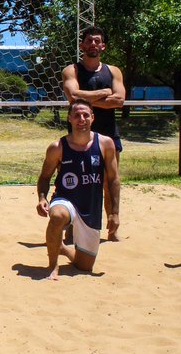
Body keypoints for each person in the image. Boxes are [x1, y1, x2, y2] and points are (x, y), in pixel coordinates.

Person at [35, 99, 120, 280]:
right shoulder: (57, 147)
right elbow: (44, 177)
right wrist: (42, 198)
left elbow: (113, 180)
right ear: (70, 119)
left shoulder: (106, 144)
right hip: (65, 199)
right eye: (77, 115)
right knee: (57, 216)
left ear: (92, 118)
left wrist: (114, 213)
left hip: (91, 206)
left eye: (85, 115)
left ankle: (62, 248)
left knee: (84, 266)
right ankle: (53, 265)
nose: (81, 119)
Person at [61, 26, 125, 240]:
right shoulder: (72, 70)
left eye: (97, 41)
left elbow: (119, 101)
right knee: (75, 181)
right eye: (89, 41)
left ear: (103, 46)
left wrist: (86, 99)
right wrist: (104, 93)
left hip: (108, 135)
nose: (93, 45)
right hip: (78, 138)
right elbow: (73, 97)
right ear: (82, 45)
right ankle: (71, 227)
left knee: (110, 180)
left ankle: (113, 222)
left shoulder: (113, 71)